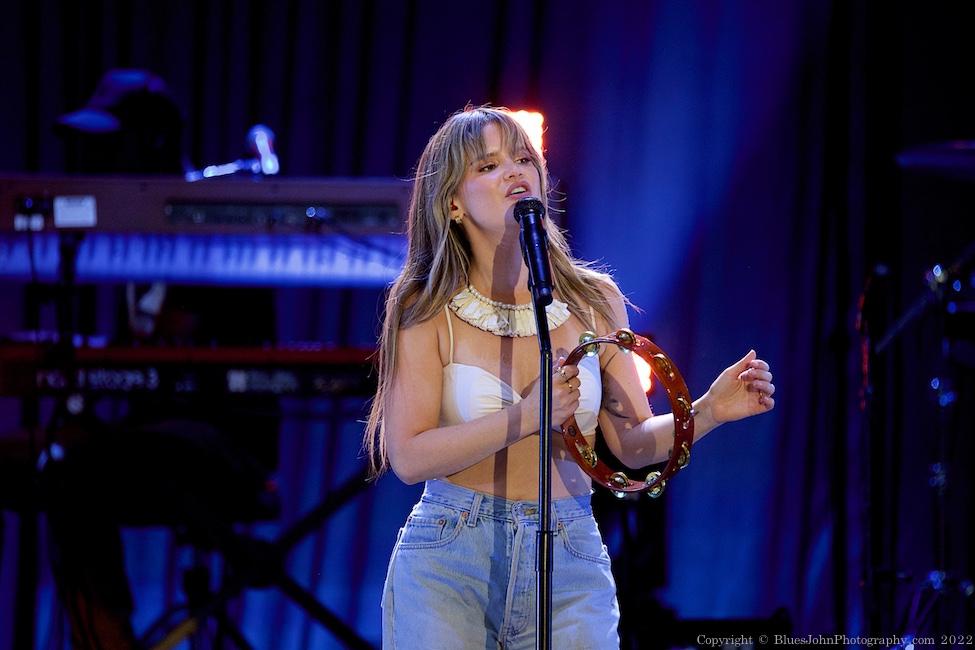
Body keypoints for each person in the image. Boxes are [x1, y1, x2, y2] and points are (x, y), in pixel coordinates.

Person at [363, 105, 776, 649]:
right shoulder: (425, 305)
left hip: (570, 549)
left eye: (523, 159)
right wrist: (526, 417)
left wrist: (708, 411)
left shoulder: (592, 299)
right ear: (453, 203)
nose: (514, 172)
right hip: (451, 553)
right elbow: (410, 457)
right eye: (487, 166)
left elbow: (629, 445)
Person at [0, 69, 280, 649]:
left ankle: (106, 641)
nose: (94, 157)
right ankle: (95, 631)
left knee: (69, 458)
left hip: (224, 444)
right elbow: (129, 356)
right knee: (37, 456)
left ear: (153, 141)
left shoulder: (209, 221)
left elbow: (165, 346)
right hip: (142, 437)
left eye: (110, 141)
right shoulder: (130, 227)